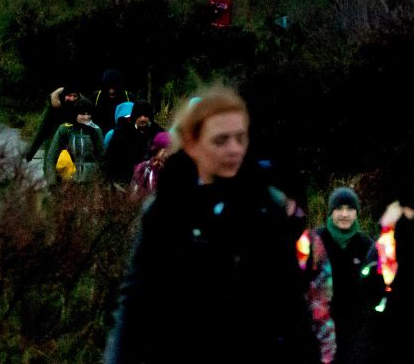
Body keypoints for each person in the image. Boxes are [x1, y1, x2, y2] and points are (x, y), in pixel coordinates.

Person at [105, 86, 319, 364]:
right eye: (221, 140)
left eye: (240, 138)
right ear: (194, 143)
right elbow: (136, 300)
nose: (233, 149)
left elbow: (290, 302)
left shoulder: (266, 206)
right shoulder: (166, 209)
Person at [315, 188, 383, 364]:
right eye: (339, 209)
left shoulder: (367, 245)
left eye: (350, 209)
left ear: (356, 213)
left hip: (355, 327)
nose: (344, 214)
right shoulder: (315, 241)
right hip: (320, 326)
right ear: (331, 212)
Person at [44, 100, 104, 185]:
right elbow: (52, 156)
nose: (86, 117)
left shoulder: (96, 130)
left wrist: (101, 182)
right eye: (82, 114)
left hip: (91, 182)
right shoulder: (65, 129)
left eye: (88, 114)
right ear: (75, 113)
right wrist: (52, 181)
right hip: (68, 180)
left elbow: (101, 157)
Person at [23, 87, 90, 163]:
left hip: (73, 141)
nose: (72, 98)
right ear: (64, 95)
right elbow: (42, 131)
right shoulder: (54, 106)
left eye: (74, 96)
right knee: (50, 158)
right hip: (54, 136)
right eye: (69, 95)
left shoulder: (83, 104)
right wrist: (30, 153)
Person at [105, 100, 163, 186]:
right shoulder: (121, 133)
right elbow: (111, 159)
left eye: (146, 115)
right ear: (134, 116)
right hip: (125, 183)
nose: (142, 118)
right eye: (139, 115)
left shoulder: (158, 133)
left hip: (152, 184)